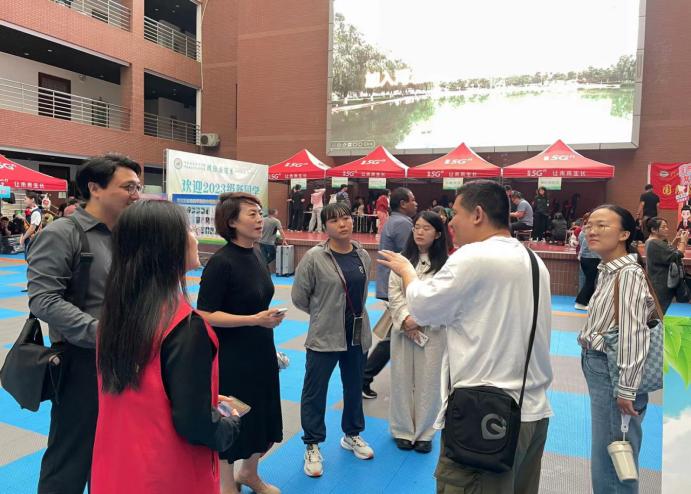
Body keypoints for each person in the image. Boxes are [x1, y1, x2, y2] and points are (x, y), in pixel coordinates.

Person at [378, 180, 553, 494]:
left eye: (456, 213)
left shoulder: (473, 256)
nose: (451, 222)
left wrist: (406, 271)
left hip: (485, 415)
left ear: (478, 214)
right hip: (532, 411)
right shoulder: (533, 261)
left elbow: (422, 305)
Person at [91, 200, 241, 493]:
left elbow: (146, 389)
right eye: (188, 229)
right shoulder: (185, 325)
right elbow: (195, 424)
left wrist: (201, 394)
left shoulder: (116, 315)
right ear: (166, 245)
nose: (194, 236)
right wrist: (229, 425)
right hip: (168, 475)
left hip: (116, 467)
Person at [27, 153, 142, 494]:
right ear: (95, 188)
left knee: (116, 454)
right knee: (71, 457)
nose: (136, 195)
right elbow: (44, 299)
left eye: (138, 187)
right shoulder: (63, 233)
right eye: (128, 187)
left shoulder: (126, 235)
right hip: (81, 361)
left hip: (127, 357)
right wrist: (103, 334)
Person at [196, 192, 284, 494]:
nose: (260, 219)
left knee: (261, 413)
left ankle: (249, 473)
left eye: (260, 213)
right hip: (231, 356)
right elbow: (205, 314)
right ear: (232, 222)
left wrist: (265, 319)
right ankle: (226, 485)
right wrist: (253, 319)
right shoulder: (221, 262)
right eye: (252, 214)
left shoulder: (257, 254)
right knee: (232, 417)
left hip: (261, 347)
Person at [577, 205, 659, 494]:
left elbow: (633, 333)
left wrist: (626, 388)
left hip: (612, 370)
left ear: (624, 234)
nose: (592, 231)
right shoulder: (609, 270)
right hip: (603, 365)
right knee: (610, 449)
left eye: (602, 225)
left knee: (613, 455)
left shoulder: (626, 274)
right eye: (590, 225)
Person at [292, 202, 375, 478]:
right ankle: (312, 444)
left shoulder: (362, 255)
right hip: (325, 335)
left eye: (346, 218)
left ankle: (352, 434)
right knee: (315, 391)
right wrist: (322, 315)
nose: (343, 224)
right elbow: (299, 297)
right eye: (335, 220)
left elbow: (362, 294)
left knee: (353, 386)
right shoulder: (314, 258)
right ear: (325, 226)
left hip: (356, 334)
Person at [388, 211, 448, 454]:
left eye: (426, 228)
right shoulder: (401, 260)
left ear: (438, 234)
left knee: (430, 381)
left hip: (432, 332)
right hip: (403, 330)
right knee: (401, 378)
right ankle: (402, 429)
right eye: (417, 227)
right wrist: (405, 319)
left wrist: (420, 319)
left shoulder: (446, 265)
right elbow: (394, 294)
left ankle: (425, 433)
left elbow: (445, 299)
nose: (420, 232)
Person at [363, 187, 418, 399]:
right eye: (412, 200)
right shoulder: (403, 224)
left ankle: (365, 376)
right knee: (395, 334)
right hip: (398, 287)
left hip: (391, 285)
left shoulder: (394, 221)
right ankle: (364, 376)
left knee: (396, 334)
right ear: (403, 203)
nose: (415, 203)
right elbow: (410, 256)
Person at [645, 217, 688, 314]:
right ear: (653, 230)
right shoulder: (655, 243)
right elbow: (677, 255)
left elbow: (667, 252)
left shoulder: (651, 241)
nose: (667, 229)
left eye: (667, 227)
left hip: (657, 281)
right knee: (659, 313)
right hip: (661, 284)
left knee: (658, 312)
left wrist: (676, 239)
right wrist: (683, 241)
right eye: (663, 227)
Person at [575, 219, 602, 311]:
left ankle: (586, 301)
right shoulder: (593, 234)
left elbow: (581, 243)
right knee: (590, 281)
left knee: (589, 280)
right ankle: (580, 302)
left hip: (585, 258)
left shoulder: (583, 232)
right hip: (592, 258)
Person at [19, 191, 42, 257]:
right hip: (29, 240)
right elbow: (27, 225)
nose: (24, 201)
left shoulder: (36, 212)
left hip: (33, 241)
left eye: (25, 199)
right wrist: (22, 236)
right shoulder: (31, 211)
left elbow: (32, 228)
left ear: (32, 200)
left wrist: (23, 238)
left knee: (32, 259)